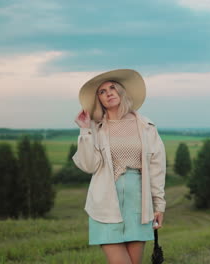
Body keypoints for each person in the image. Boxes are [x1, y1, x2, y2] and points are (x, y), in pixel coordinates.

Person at [72, 69, 166, 264]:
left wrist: (159, 205)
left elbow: (157, 168)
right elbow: (89, 166)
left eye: (112, 88)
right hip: (105, 203)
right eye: (102, 91)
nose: (109, 93)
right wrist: (84, 131)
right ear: (99, 100)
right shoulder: (96, 129)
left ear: (121, 92)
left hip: (139, 204)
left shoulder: (146, 126)